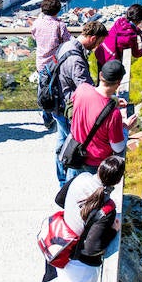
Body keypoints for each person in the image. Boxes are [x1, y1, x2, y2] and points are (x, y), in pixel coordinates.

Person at [54, 155, 125, 282]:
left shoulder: (81, 178)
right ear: (117, 180)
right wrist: (112, 230)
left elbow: (59, 199)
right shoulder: (107, 207)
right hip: (80, 261)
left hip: (62, 244)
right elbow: (93, 247)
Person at [51, 21, 108, 187]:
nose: (98, 46)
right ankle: (67, 185)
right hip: (67, 106)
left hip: (57, 101)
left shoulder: (66, 45)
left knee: (62, 142)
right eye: (98, 42)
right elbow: (86, 90)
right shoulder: (76, 60)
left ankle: (62, 181)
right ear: (92, 38)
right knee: (72, 147)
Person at [66, 60, 138, 181]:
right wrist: (126, 128)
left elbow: (92, 102)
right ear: (119, 82)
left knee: (70, 194)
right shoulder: (113, 115)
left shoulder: (82, 89)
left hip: (74, 154)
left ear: (100, 75)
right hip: (94, 165)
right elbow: (118, 147)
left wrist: (113, 101)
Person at [30, 0, 71, 129]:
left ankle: (46, 117)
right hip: (56, 64)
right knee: (57, 90)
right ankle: (58, 115)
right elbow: (68, 41)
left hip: (41, 63)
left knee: (44, 89)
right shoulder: (60, 25)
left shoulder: (37, 23)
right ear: (58, 10)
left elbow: (34, 36)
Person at [94, 3, 142, 71]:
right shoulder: (132, 36)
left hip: (101, 52)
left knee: (100, 77)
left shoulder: (119, 21)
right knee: (109, 79)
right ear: (140, 20)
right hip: (110, 62)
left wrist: (138, 32)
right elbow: (136, 54)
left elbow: (128, 28)